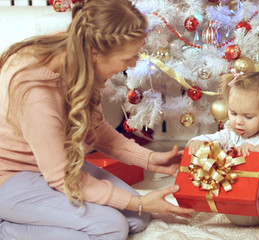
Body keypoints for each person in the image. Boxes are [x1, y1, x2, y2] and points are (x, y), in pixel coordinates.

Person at [0, 0, 194, 239]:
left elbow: (96, 130)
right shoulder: (36, 92)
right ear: (95, 53)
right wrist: (139, 202)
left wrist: (151, 159)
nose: (132, 65)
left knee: (136, 218)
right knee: (111, 227)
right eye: (127, 58)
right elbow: (61, 177)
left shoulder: (79, 51)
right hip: (12, 177)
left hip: (57, 164)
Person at [187, 71, 259, 240]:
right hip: (234, 202)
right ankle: (183, 215)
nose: (238, 121)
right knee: (206, 181)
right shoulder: (230, 134)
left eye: (248, 116)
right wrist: (198, 141)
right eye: (233, 113)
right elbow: (212, 138)